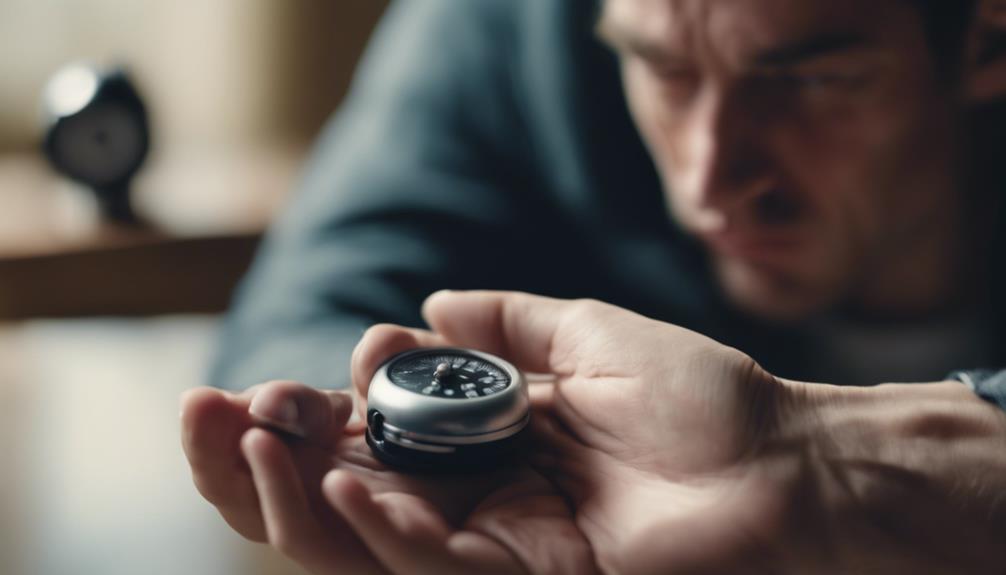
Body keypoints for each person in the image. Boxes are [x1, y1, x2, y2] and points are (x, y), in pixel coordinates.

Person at [181, 0, 1006, 572]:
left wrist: (818, 458)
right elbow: (299, 316)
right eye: (664, 69)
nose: (709, 179)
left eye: (813, 81)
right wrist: (463, 442)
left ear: (984, 42)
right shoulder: (510, 25)